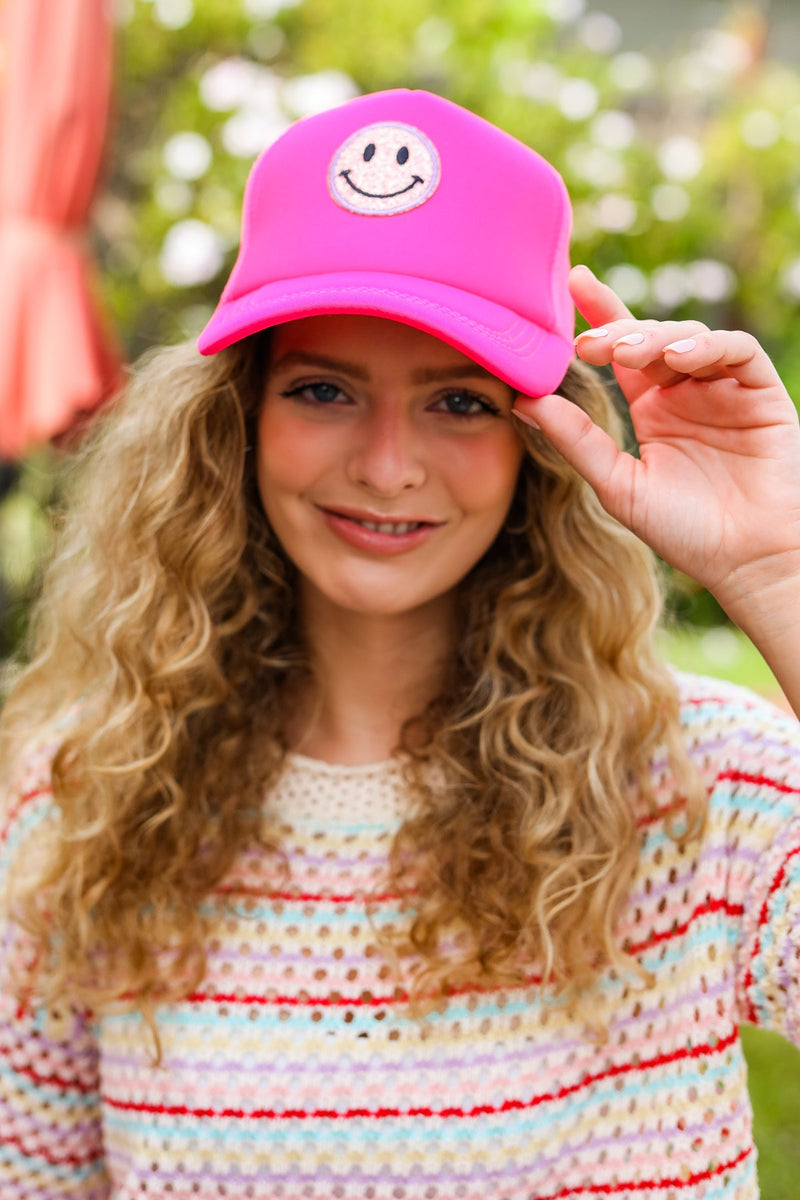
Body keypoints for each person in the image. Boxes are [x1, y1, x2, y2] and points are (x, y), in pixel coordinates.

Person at [1, 87, 799, 1200]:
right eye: (324, 389)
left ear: (538, 442)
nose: (384, 467)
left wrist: (779, 575)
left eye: (458, 403)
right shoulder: (83, 799)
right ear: (240, 416)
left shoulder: (699, 781)